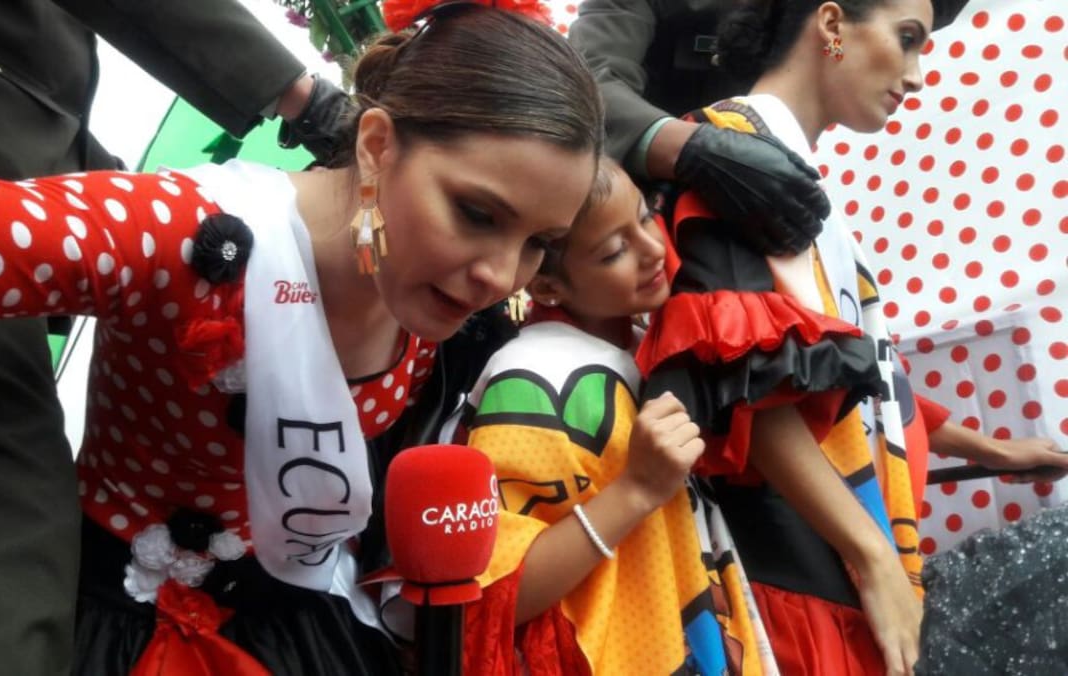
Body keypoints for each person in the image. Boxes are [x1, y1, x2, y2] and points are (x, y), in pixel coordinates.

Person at [0, 2, 605, 672]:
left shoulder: (439, 313)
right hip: (115, 628)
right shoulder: (180, 228)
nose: (498, 274)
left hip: (305, 628)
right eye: (477, 212)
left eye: (539, 243)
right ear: (375, 146)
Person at [0, 1, 348, 672]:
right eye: (472, 213)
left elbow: (43, 104)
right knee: (10, 514)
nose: (494, 272)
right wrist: (307, 98)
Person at [634, 1, 1068, 675]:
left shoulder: (778, 164)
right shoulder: (733, 158)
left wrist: (983, 445)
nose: (918, 73)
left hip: (828, 556)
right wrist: (873, 561)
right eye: (908, 39)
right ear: (832, 26)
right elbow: (747, 386)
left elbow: (835, 376)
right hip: (797, 577)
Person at [458, 158, 776, 675]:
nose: (653, 248)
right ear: (544, 287)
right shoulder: (533, 380)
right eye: (614, 251)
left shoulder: (648, 337)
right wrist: (636, 490)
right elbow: (496, 593)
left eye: (647, 216)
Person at [567, 0, 968, 256]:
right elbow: (583, 84)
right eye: (906, 40)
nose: (915, 77)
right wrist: (692, 148)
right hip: (635, 234)